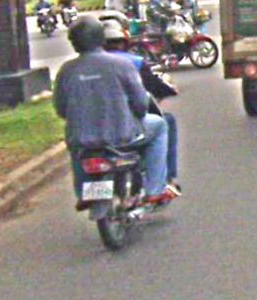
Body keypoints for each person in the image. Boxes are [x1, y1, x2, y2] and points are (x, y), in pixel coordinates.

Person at [53, 15, 179, 210]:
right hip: (122, 136)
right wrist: (135, 114)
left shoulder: (66, 70)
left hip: (83, 138)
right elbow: (140, 102)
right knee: (161, 125)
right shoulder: (121, 65)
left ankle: (83, 192)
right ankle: (156, 189)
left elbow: (61, 108)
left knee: (77, 146)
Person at [102, 20, 180, 190]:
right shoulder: (132, 62)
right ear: (124, 42)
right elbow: (143, 98)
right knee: (164, 124)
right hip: (125, 129)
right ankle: (162, 182)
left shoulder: (78, 67)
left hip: (91, 133)